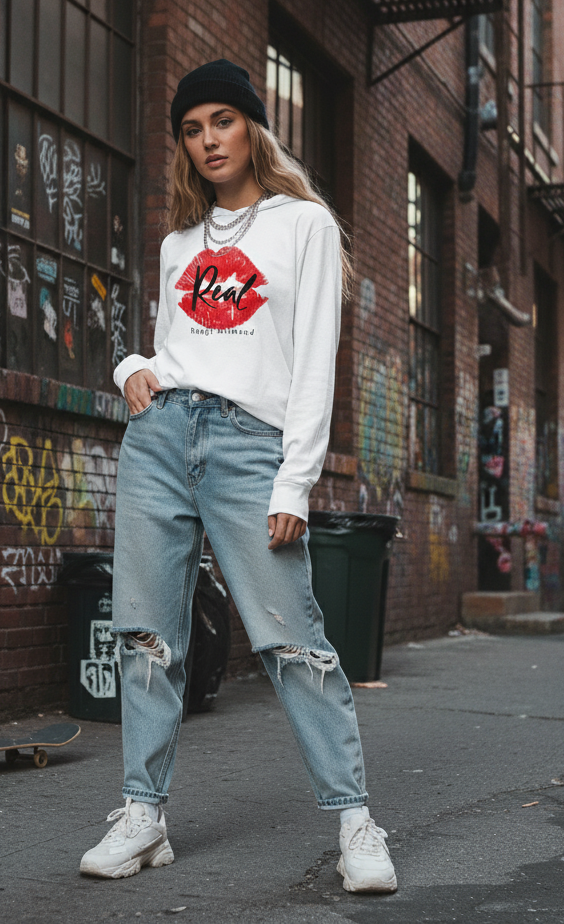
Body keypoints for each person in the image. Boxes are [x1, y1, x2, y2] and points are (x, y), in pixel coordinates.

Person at [79, 59, 397, 894]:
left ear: (253, 127)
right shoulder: (178, 241)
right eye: (192, 127)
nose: (208, 139)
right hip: (159, 440)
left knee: (293, 639)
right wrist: (129, 371)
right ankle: (143, 816)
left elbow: (314, 366)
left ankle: (356, 820)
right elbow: (171, 349)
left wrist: (295, 481)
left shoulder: (304, 226)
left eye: (222, 120)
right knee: (146, 634)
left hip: (250, 448)